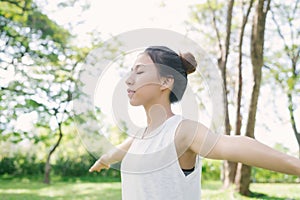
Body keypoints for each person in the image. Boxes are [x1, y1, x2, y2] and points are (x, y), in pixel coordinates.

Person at [89, 46, 300, 200]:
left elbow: (232, 145)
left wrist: (295, 165)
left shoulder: (181, 131)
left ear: (165, 81)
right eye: (131, 71)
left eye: (140, 71)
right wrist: (105, 159)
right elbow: (120, 151)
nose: (128, 79)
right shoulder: (141, 136)